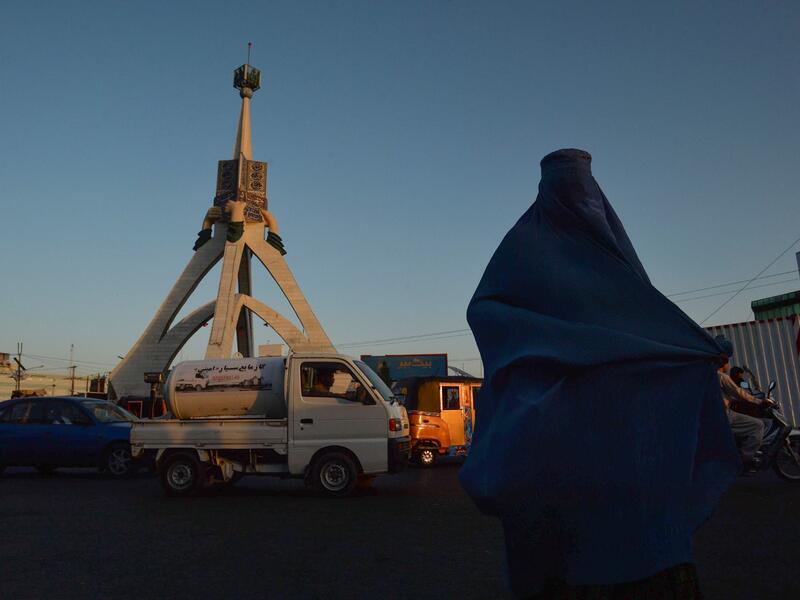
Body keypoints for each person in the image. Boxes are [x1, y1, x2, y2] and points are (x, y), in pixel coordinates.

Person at [461, 149, 739, 599]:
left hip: (562, 574)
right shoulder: (664, 354)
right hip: (659, 569)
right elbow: (706, 461)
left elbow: (496, 479)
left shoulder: (522, 352)